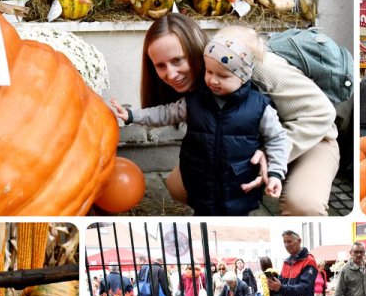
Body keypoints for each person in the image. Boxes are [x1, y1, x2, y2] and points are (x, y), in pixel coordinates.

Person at [140, 13, 340, 216]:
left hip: (311, 137)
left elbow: (323, 113)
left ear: (195, 50)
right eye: (160, 65)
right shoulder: (209, 79)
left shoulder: (256, 65)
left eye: (177, 60)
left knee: (303, 205)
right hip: (251, 145)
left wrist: (270, 155)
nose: (171, 74)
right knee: (179, 185)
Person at [113, 27, 289, 216]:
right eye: (209, 71)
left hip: (238, 183)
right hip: (200, 178)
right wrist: (133, 115)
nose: (213, 80)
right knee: (202, 215)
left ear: (244, 76)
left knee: (234, 219)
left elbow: (277, 139)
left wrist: (275, 173)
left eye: (223, 76)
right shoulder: (195, 100)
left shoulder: (260, 107)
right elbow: (164, 113)